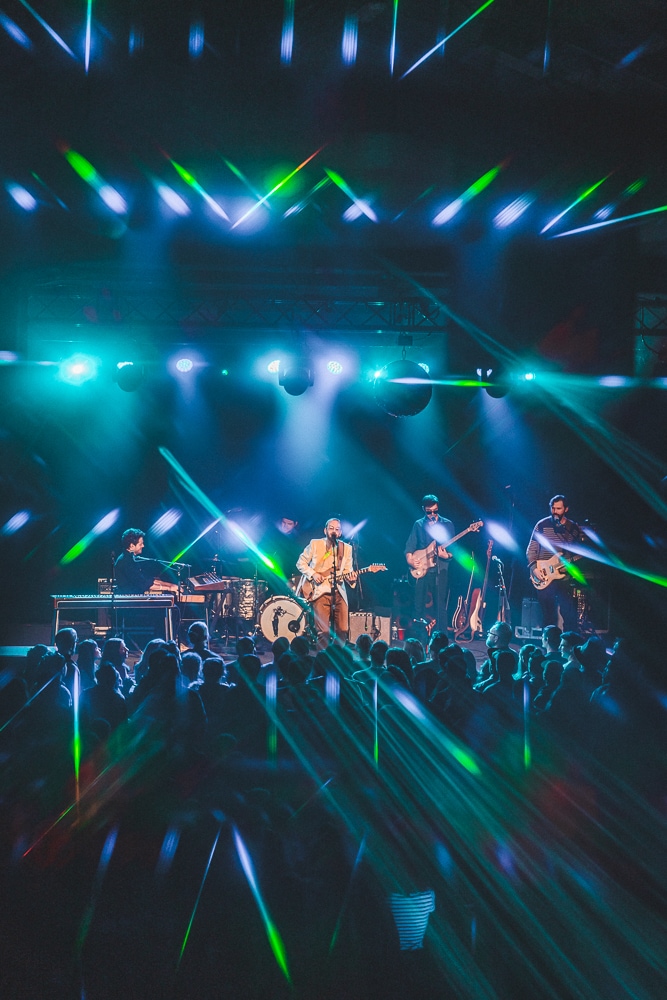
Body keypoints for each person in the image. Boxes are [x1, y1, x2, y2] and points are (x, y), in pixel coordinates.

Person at [526, 495, 585, 632]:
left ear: (566, 509)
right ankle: (548, 644)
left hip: (564, 576)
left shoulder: (573, 528)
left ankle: (568, 645)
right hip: (543, 574)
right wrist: (534, 568)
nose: (555, 512)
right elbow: (531, 549)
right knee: (548, 614)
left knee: (569, 613)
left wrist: (571, 563)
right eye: (552, 508)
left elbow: (577, 551)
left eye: (558, 508)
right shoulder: (541, 525)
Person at [296, 517, 357, 645]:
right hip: (319, 591)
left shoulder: (346, 548)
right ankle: (322, 660)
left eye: (337, 529)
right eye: (331, 528)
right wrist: (313, 574)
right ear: (325, 530)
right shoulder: (315, 544)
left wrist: (351, 579)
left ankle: (338, 658)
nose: (334, 531)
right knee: (323, 632)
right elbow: (300, 563)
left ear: (340, 533)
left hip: (339, 592)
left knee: (343, 629)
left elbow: (347, 570)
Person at [404, 495, 454, 632]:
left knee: (440, 606)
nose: (432, 515)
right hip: (421, 569)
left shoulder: (447, 524)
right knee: (418, 605)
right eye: (429, 512)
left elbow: (453, 552)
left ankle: (441, 638)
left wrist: (446, 555)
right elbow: (409, 547)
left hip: (440, 569)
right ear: (423, 510)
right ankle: (417, 638)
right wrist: (410, 560)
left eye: (435, 511)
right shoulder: (418, 524)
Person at [114, 528, 178, 595]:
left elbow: (147, 580)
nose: (143, 546)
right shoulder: (126, 562)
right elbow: (144, 584)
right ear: (132, 546)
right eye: (140, 544)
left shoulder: (130, 558)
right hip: (131, 603)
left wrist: (171, 585)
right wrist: (169, 588)